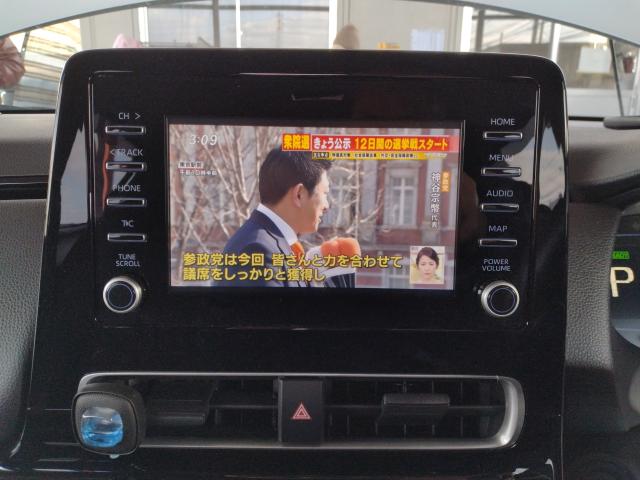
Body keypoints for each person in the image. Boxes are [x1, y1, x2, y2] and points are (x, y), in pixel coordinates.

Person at [219, 148, 331, 287]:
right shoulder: (258, 250)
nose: (327, 206)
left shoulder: (278, 244)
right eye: (324, 193)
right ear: (299, 194)